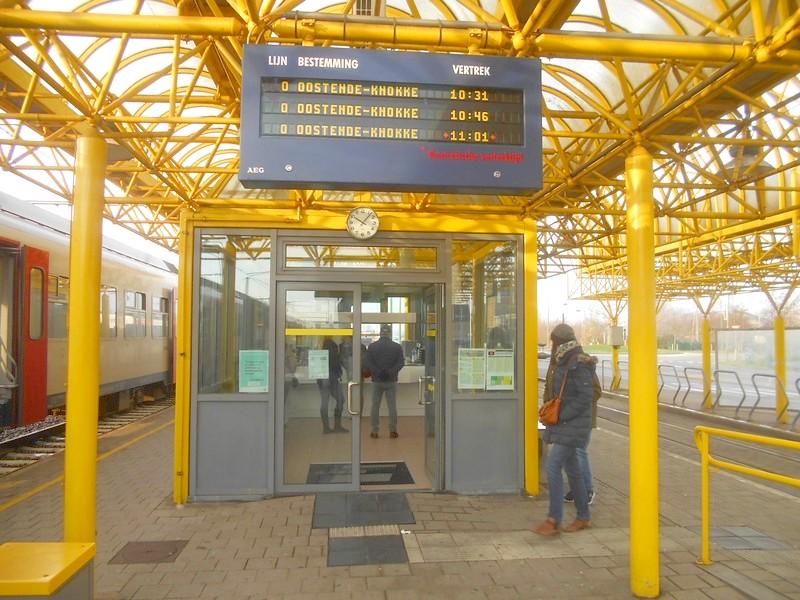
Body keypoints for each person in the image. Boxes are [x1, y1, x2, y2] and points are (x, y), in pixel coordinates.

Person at [533, 322, 597, 536]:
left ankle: (554, 520)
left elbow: (586, 396)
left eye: (554, 341)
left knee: (552, 466)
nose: (552, 345)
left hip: (573, 424)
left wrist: (562, 414)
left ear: (560, 341)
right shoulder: (561, 360)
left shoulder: (577, 361)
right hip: (565, 424)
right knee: (573, 470)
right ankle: (583, 517)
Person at [364, 324, 405, 438]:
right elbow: (401, 363)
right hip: (391, 380)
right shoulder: (397, 347)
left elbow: (368, 362)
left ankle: (374, 431)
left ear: (380, 333)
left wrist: (377, 372)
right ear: (390, 334)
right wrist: (390, 372)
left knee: (375, 405)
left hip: (377, 380)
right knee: (392, 405)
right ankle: (393, 431)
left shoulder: (372, 347)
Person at [317, 336, 348, 434]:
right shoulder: (332, 345)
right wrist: (339, 372)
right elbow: (333, 361)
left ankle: (326, 427)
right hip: (331, 376)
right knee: (340, 400)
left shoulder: (320, 345)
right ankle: (337, 425)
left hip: (322, 376)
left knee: (324, 402)